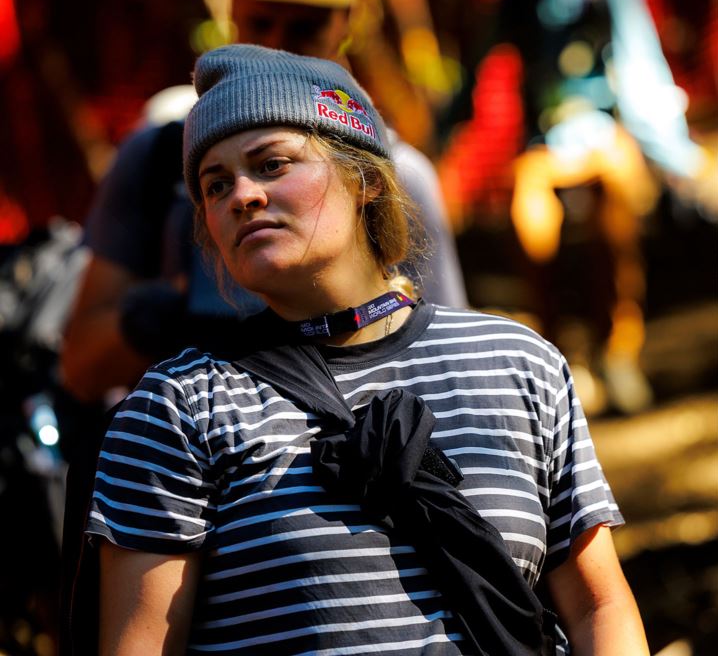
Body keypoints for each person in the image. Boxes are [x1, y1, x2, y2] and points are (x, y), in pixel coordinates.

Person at [85, 44, 648, 654]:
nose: (241, 195)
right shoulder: (176, 409)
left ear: (366, 181)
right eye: (214, 184)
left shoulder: (518, 363)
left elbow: (598, 606)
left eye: (272, 164)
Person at [59, 0, 466, 405]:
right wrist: (165, 315)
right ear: (231, 9)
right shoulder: (158, 158)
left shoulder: (401, 174)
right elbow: (81, 366)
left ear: (366, 185)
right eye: (215, 187)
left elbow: (444, 370)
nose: (277, 48)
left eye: (303, 29)